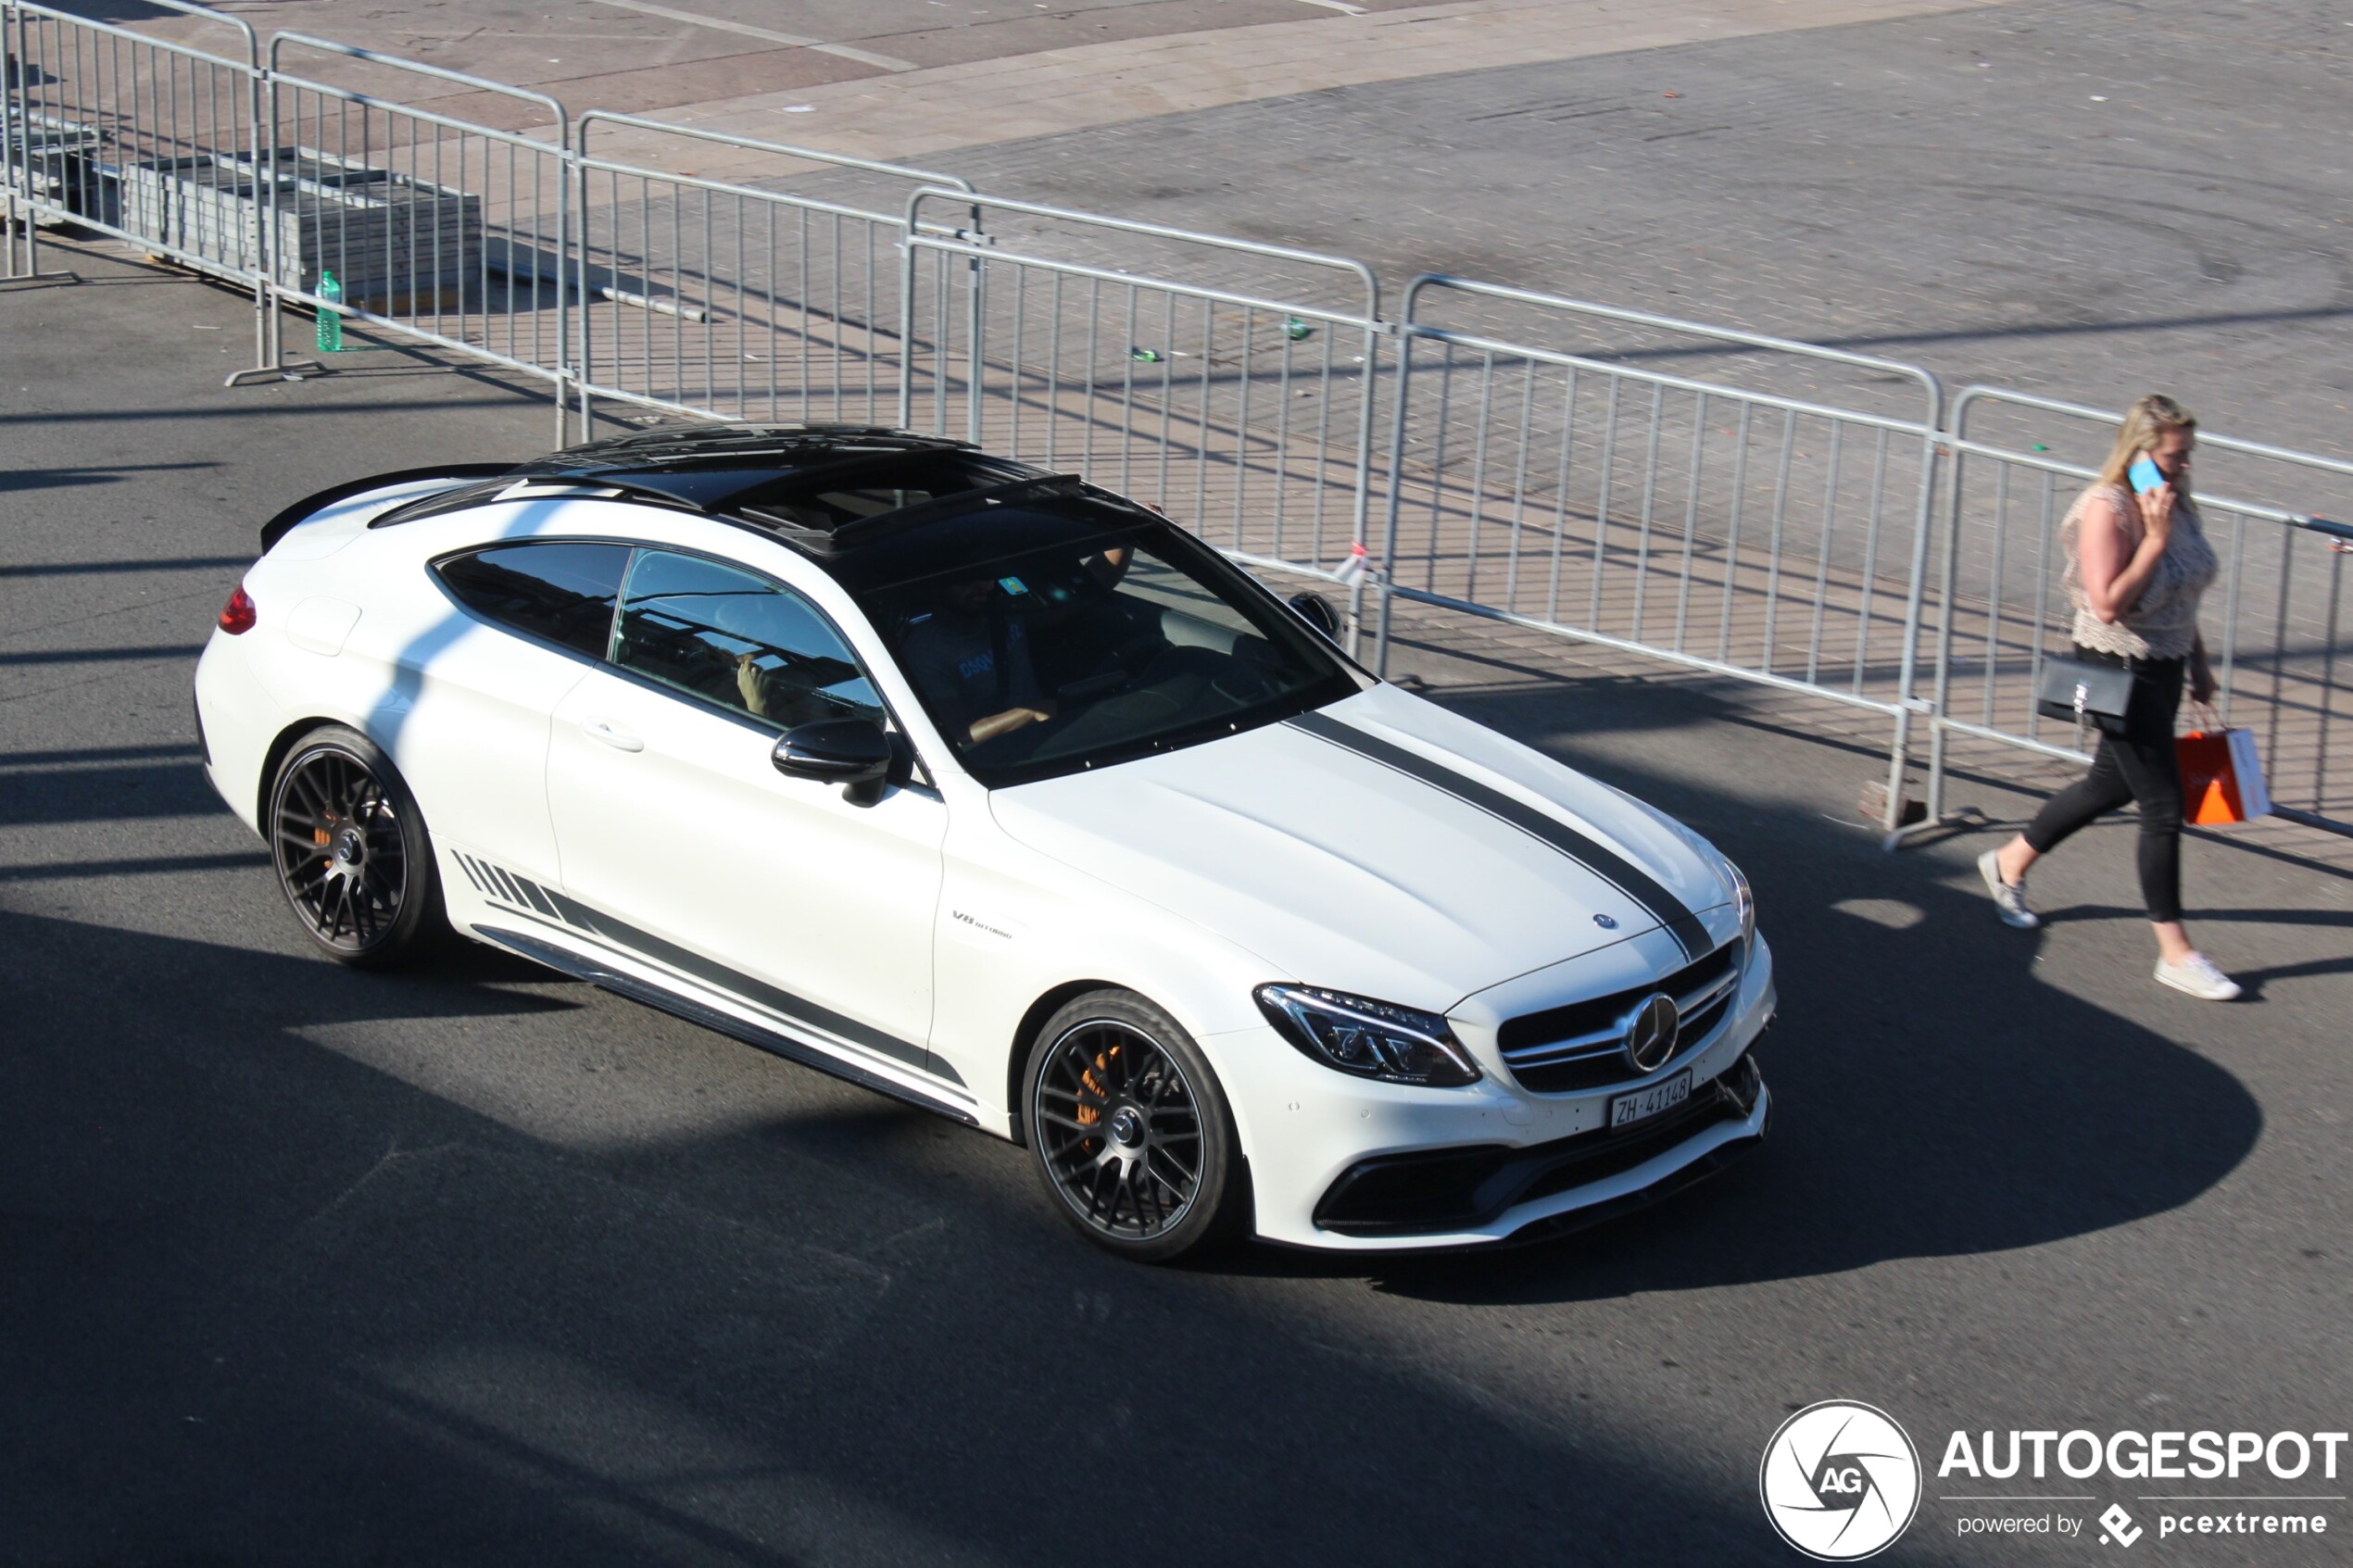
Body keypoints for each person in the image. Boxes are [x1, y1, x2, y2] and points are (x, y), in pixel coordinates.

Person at [1976, 394, 2239, 1000]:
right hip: (2119, 666)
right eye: (2175, 457)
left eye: (2187, 455)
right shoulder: (2108, 507)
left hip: (2166, 664)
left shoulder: (2171, 503)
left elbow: (2181, 589)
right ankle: (2175, 951)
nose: (2185, 467)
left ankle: (2009, 862)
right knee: (2163, 806)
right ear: (2140, 453)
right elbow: (2108, 602)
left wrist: (2198, 660)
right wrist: (2154, 536)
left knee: (2109, 784)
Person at [895, 573, 1057, 746]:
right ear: (936, 587)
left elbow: (1067, 607)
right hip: (992, 757)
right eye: (965, 581)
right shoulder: (924, 651)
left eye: (987, 578)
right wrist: (1032, 713)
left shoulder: (1007, 612)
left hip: (1058, 733)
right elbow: (959, 736)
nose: (983, 588)